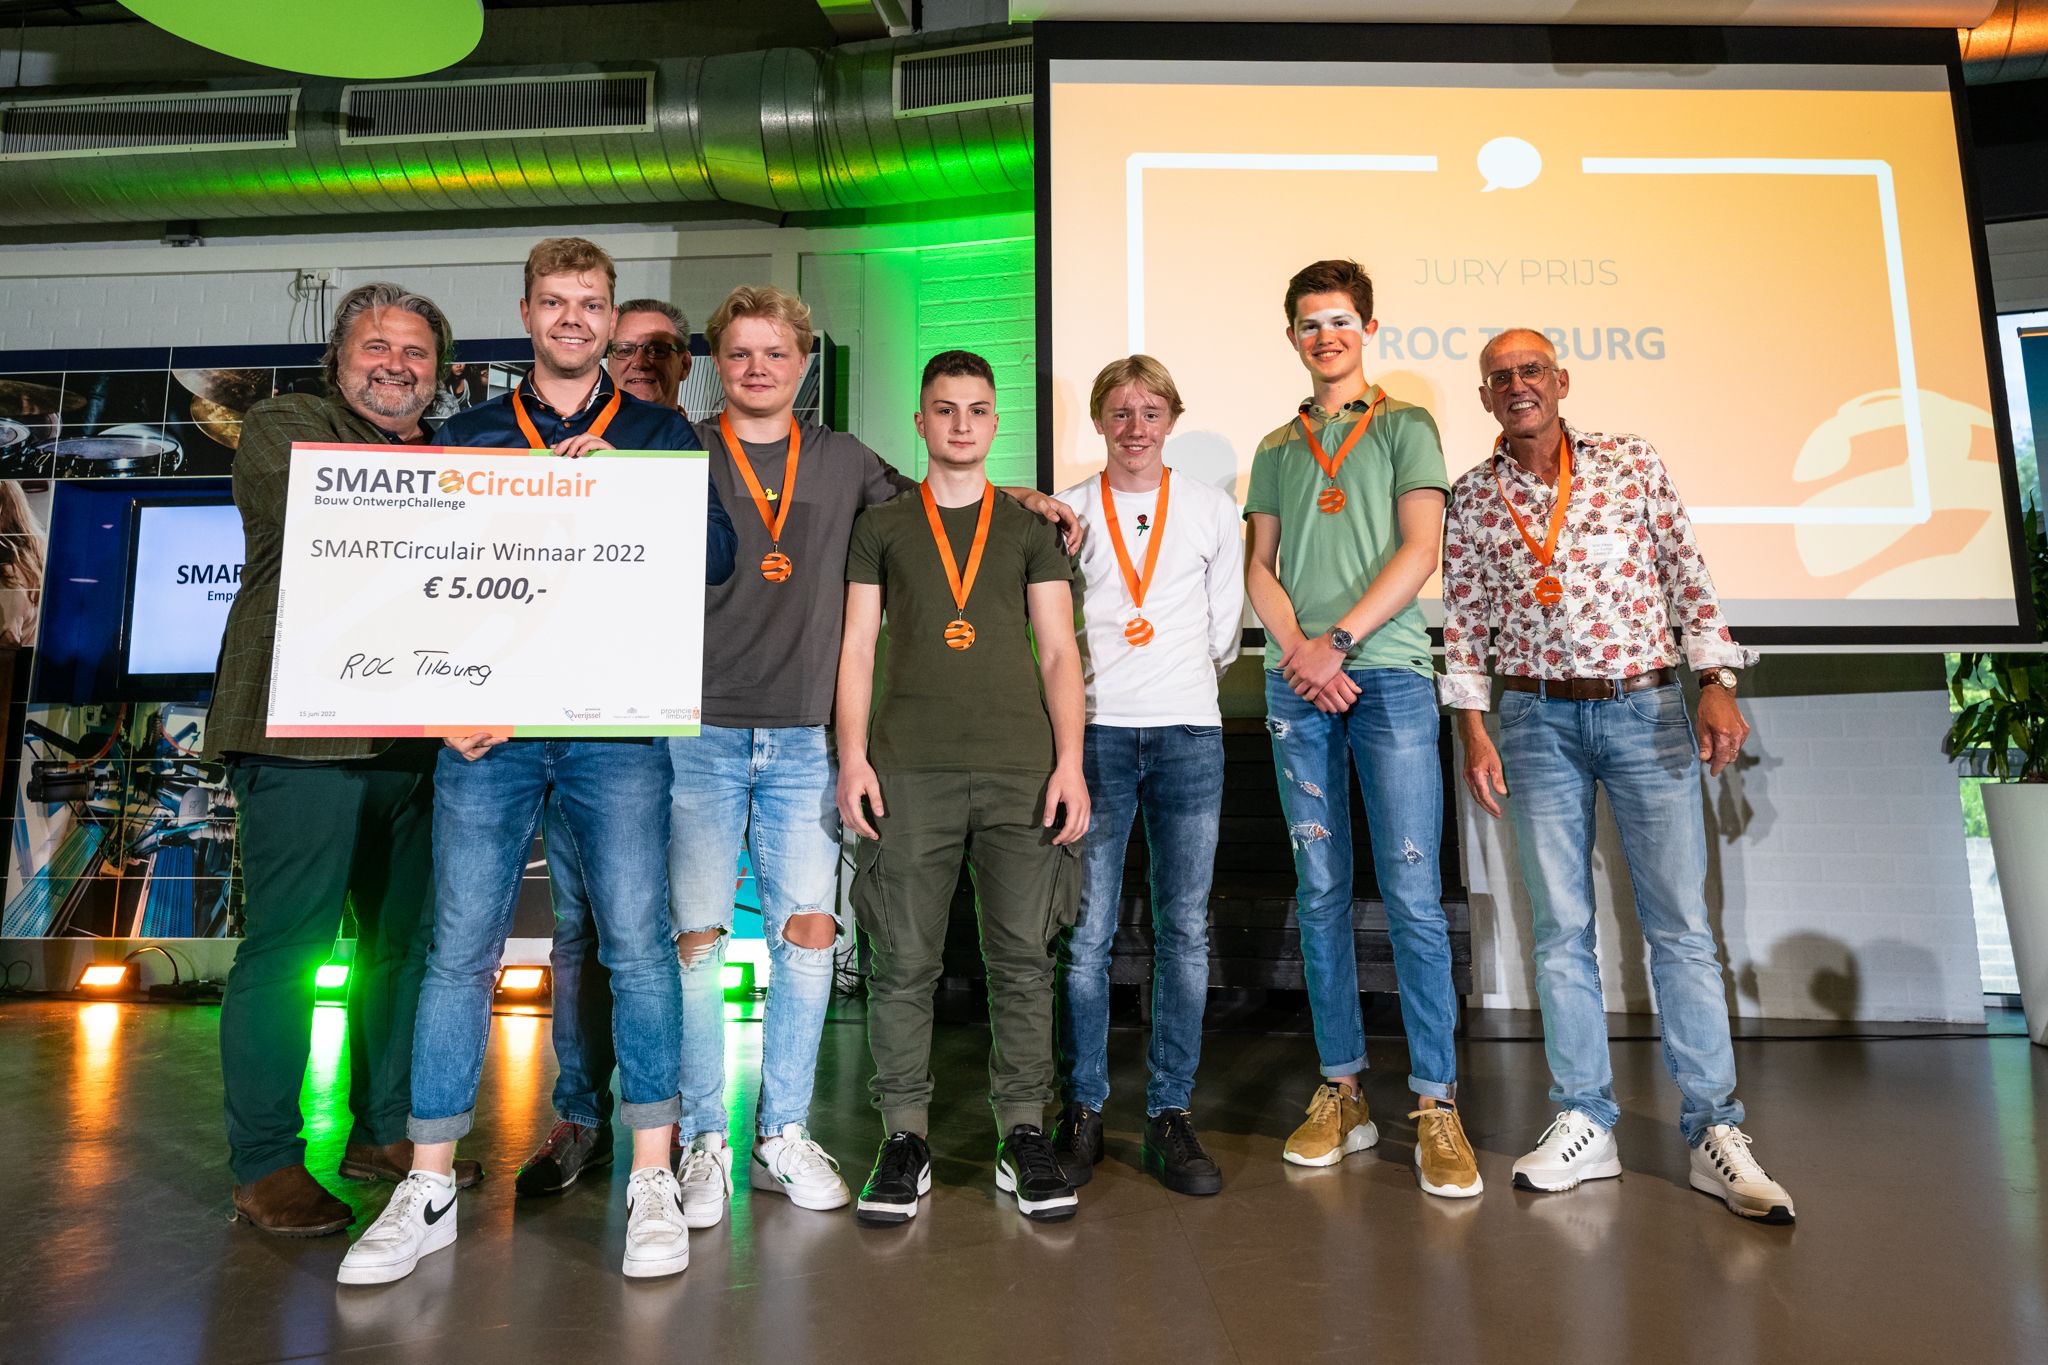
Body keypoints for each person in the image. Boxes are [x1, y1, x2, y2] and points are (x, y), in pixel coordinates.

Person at [523, 287, 1082, 1226]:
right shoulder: (679, 449)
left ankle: (781, 1127)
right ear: (717, 363)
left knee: (812, 939)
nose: (758, 368)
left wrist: (1021, 497)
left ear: (802, 363)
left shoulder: (848, 462)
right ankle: (706, 1138)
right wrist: (603, 476)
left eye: (775, 352)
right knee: (696, 945)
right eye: (740, 353)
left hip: (802, 740)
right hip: (696, 730)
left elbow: (948, 498)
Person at [335, 238, 738, 1285]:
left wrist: (632, 490)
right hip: (494, 726)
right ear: (525, 313)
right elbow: (416, 575)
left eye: (590, 303)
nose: (572, 318)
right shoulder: (467, 432)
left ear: (611, 320)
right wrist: (437, 700)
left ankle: (651, 1171)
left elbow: (718, 558)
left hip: (615, 724)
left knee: (637, 947)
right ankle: (427, 1182)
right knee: (459, 952)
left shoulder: (658, 432)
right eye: (554, 301)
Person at [1441, 327, 1796, 1223]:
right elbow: (1467, 620)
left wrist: (1716, 681)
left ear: (1561, 380)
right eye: (1499, 377)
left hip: (1646, 707)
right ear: (1485, 398)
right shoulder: (1474, 495)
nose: (1517, 384)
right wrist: (1474, 729)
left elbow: (1686, 572)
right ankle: (1585, 1119)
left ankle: (1716, 1128)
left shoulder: (1630, 461)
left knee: (1680, 927)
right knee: (1560, 928)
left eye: (1530, 369)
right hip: (1533, 719)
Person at [208, 282, 478, 1235]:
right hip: (302, 733)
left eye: (416, 352)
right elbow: (346, 514)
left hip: (417, 735)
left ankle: (386, 1129)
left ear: (439, 372)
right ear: (338, 358)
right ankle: (265, 1162)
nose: (395, 365)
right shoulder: (285, 425)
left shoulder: (454, 452)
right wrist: (487, 487)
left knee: (406, 949)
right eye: (376, 346)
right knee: (290, 950)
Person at [1243, 259, 1480, 1197]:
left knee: (1413, 894)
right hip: (1297, 683)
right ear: (1292, 337)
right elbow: (1259, 567)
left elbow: (1422, 549)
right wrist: (1301, 651)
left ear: (1367, 329)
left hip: (1387, 676)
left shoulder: (1406, 425)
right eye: (1310, 323)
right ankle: (1342, 1089)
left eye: (1340, 319)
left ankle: (1435, 1101)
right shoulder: (1276, 445)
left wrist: (1336, 642)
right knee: (1320, 894)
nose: (1325, 335)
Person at [836, 349, 1090, 1225]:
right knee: (903, 962)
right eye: (944, 409)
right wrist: (853, 756)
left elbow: (1059, 651)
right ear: (920, 421)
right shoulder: (881, 526)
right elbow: (856, 647)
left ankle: (1023, 1133)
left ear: (994, 421)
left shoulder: (1028, 529)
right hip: (908, 767)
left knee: (1023, 960)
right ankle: (904, 1137)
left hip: (1022, 768)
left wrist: (1069, 761)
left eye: (977, 409)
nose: (961, 424)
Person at [1049, 355, 1243, 1196]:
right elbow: (1052, 626)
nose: (1136, 428)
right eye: (1121, 412)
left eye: (1151, 411)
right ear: (1100, 420)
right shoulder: (1068, 510)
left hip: (1188, 733)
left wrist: (1173, 682)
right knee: (1087, 934)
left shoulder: (1209, 510)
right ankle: (1084, 1108)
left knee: (1184, 930)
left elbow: (1224, 629)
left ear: (1171, 419)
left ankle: (1169, 1111)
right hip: (1094, 734)